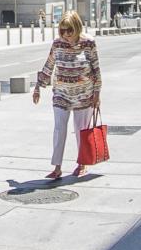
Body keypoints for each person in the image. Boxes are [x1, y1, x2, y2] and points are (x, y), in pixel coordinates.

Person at [31, 11, 102, 179]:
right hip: (61, 94)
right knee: (59, 129)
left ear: (77, 27)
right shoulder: (57, 44)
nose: (66, 34)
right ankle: (57, 167)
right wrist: (38, 87)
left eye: (70, 30)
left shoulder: (88, 42)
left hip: (83, 94)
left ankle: (82, 163)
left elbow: (96, 69)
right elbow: (49, 65)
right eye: (62, 30)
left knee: (80, 130)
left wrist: (97, 94)